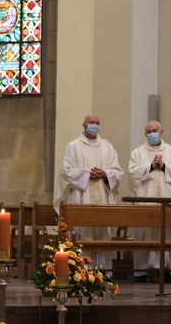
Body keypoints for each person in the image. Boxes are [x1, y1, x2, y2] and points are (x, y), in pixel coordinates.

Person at [53, 114, 124, 270]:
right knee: (82, 234)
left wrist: (105, 174)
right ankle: (82, 271)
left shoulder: (107, 146)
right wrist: (86, 174)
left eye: (97, 123)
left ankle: (103, 271)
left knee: (103, 235)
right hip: (81, 198)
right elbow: (66, 172)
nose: (95, 125)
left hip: (102, 198)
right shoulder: (73, 146)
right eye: (92, 122)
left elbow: (118, 171)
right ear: (84, 125)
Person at [128, 120, 171, 282]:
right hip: (145, 203)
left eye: (155, 130)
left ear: (161, 132)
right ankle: (141, 272)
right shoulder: (137, 153)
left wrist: (165, 165)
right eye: (149, 131)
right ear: (145, 134)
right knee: (143, 235)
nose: (152, 134)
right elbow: (133, 173)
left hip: (167, 202)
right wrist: (151, 166)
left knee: (168, 235)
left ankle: (169, 271)